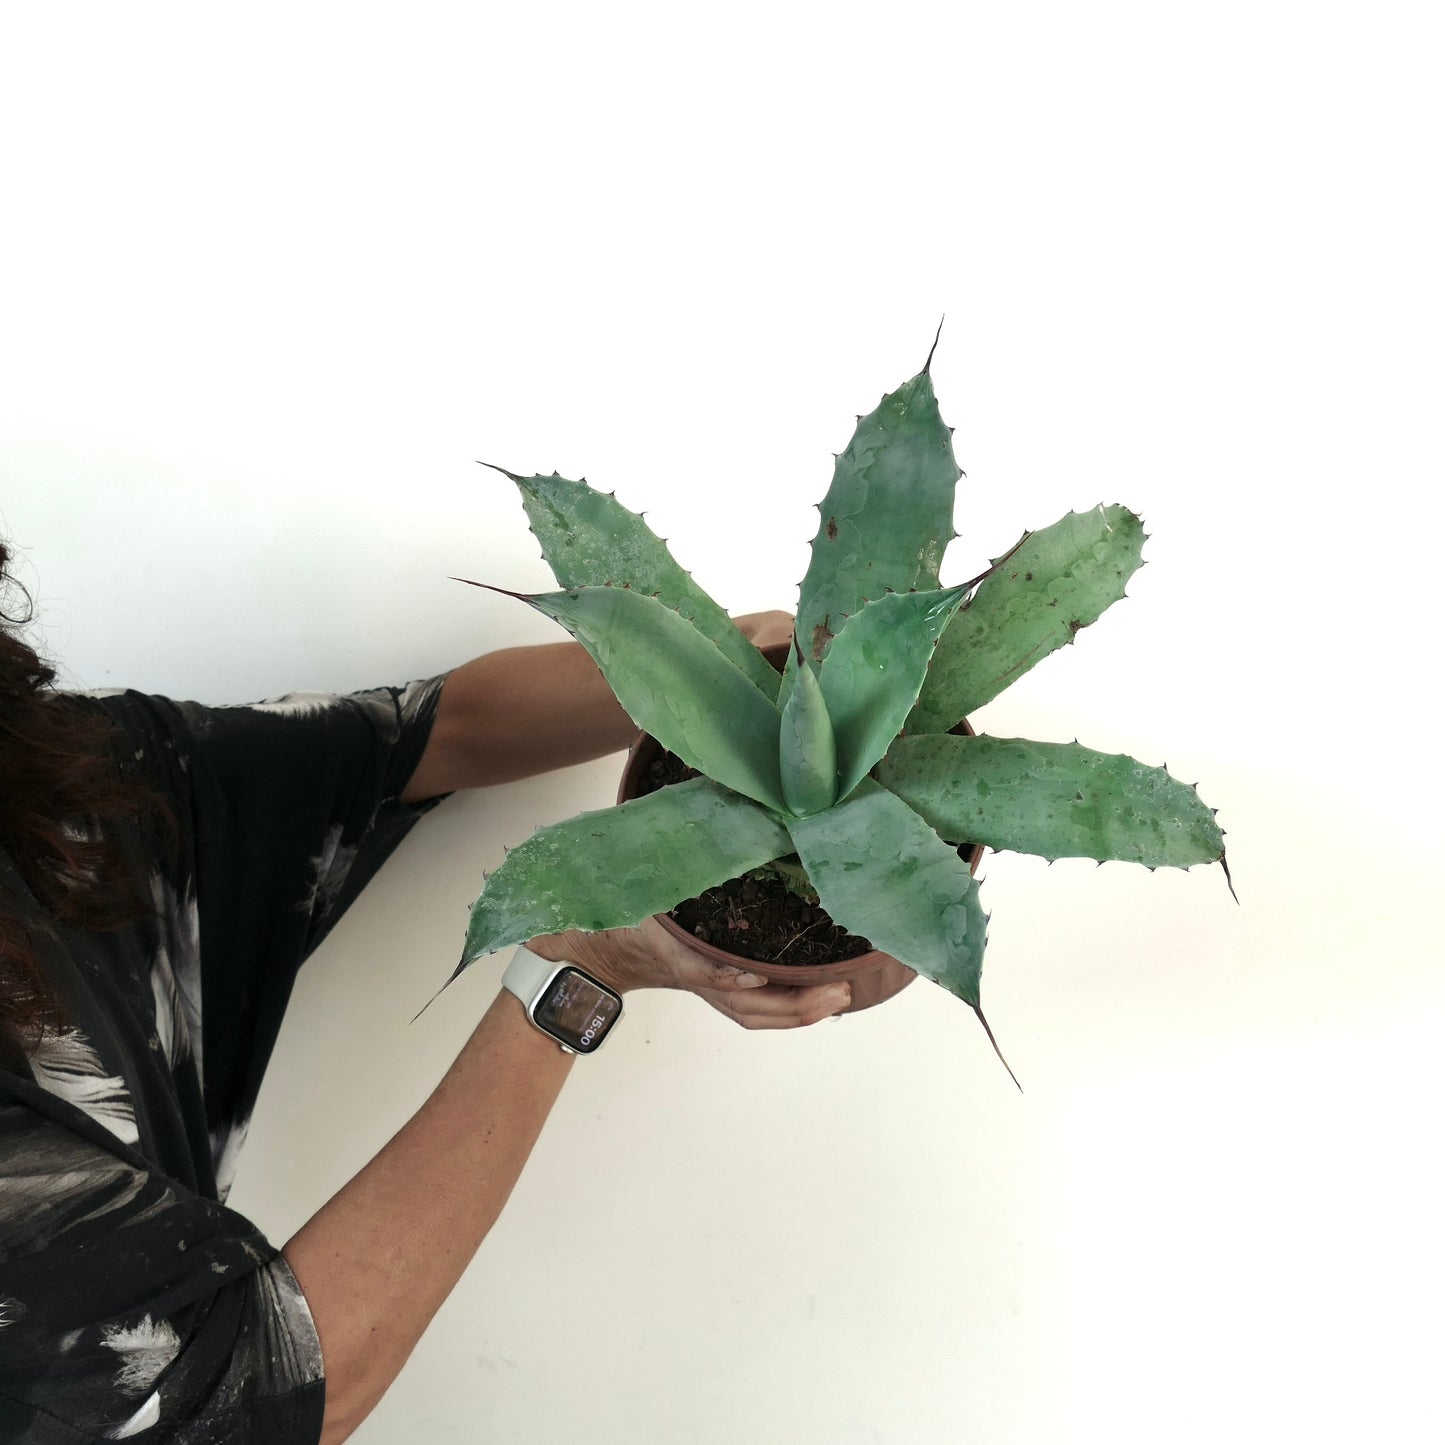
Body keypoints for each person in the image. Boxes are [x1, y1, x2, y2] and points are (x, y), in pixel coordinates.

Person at [0, 537, 850, 1443]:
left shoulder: (47, 788)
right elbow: (269, 1387)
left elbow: (422, 735)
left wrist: (728, 666)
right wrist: (581, 973)